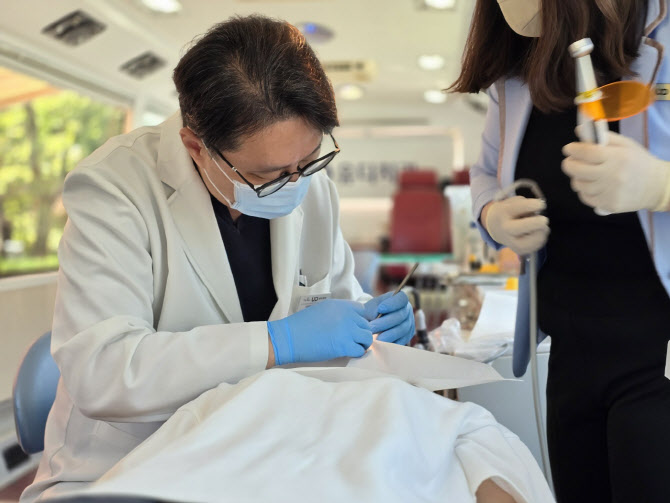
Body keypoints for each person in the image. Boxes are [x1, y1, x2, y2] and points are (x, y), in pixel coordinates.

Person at [20, 15, 417, 502]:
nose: (296, 183)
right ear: (196, 146)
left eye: (309, 159)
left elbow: (334, 305)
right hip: (132, 467)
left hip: (262, 449)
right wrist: (276, 341)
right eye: (268, 175)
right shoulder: (113, 188)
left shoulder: (312, 186)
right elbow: (104, 372)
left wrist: (371, 325)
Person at [451, 0, 670, 501]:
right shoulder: (520, 67)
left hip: (657, 354)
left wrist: (661, 185)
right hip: (571, 353)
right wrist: (492, 214)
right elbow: (485, 172)